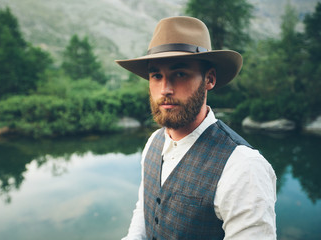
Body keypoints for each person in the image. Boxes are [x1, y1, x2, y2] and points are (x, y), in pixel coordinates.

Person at [115, 16, 277, 240]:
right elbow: (143, 214)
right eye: (156, 76)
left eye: (180, 74)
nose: (165, 89)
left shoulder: (244, 167)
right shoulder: (153, 142)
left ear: (209, 79)